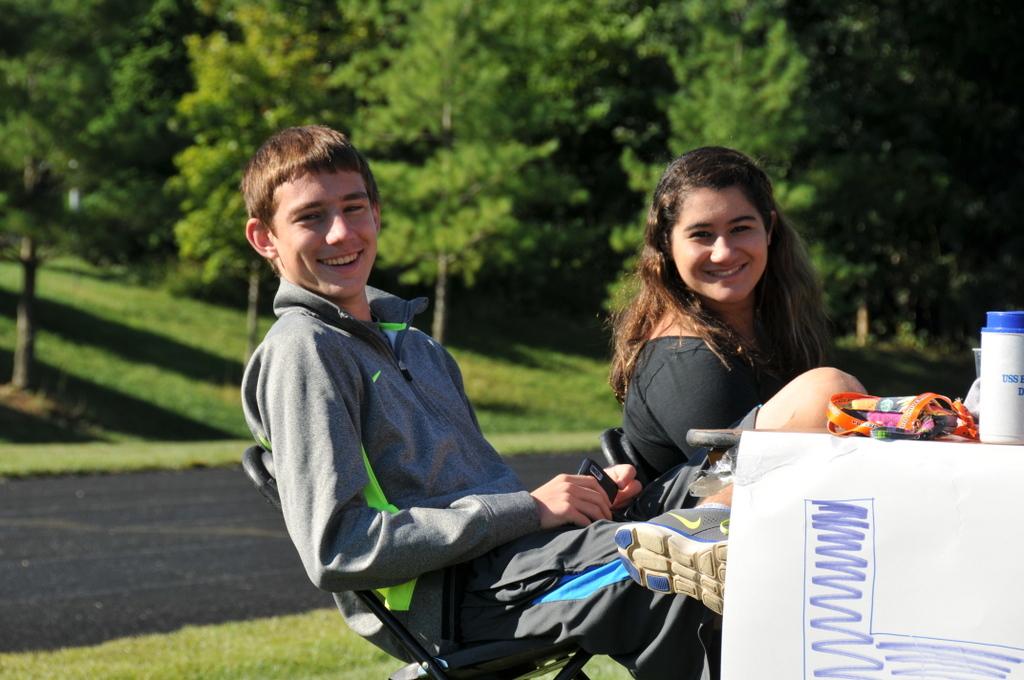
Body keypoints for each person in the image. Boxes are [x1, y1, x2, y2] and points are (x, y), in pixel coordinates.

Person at [240, 125, 739, 680]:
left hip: (520, 564)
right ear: (265, 238)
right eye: (311, 217)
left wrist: (585, 499)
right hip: (460, 603)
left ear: (376, 214)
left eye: (354, 208)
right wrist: (531, 509)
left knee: (731, 492)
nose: (340, 234)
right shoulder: (302, 350)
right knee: (677, 570)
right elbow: (339, 549)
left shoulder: (420, 348)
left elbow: (482, 500)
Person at [610, 147, 865, 479]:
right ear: (666, 243)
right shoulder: (686, 357)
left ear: (769, 229)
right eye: (701, 235)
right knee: (827, 388)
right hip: (700, 527)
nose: (724, 252)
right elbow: (736, 489)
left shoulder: (773, 326)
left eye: (740, 228)